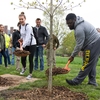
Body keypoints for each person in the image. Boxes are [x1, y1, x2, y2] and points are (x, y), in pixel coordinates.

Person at [65, 13, 100, 86]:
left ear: (74, 20)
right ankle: (92, 82)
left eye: (70, 23)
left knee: (86, 63)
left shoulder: (79, 29)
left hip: (93, 43)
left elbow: (79, 45)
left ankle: (76, 81)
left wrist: (72, 56)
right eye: (67, 24)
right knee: (91, 63)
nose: (69, 25)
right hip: (95, 42)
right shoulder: (80, 24)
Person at [19, 12, 36, 79]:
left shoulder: (28, 26)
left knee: (30, 59)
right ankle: (24, 68)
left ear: (25, 19)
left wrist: (22, 46)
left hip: (32, 44)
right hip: (26, 44)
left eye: (22, 19)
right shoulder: (21, 26)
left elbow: (28, 37)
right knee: (23, 57)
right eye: (20, 19)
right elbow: (23, 36)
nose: (21, 20)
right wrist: (21, 40)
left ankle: (30, 74)